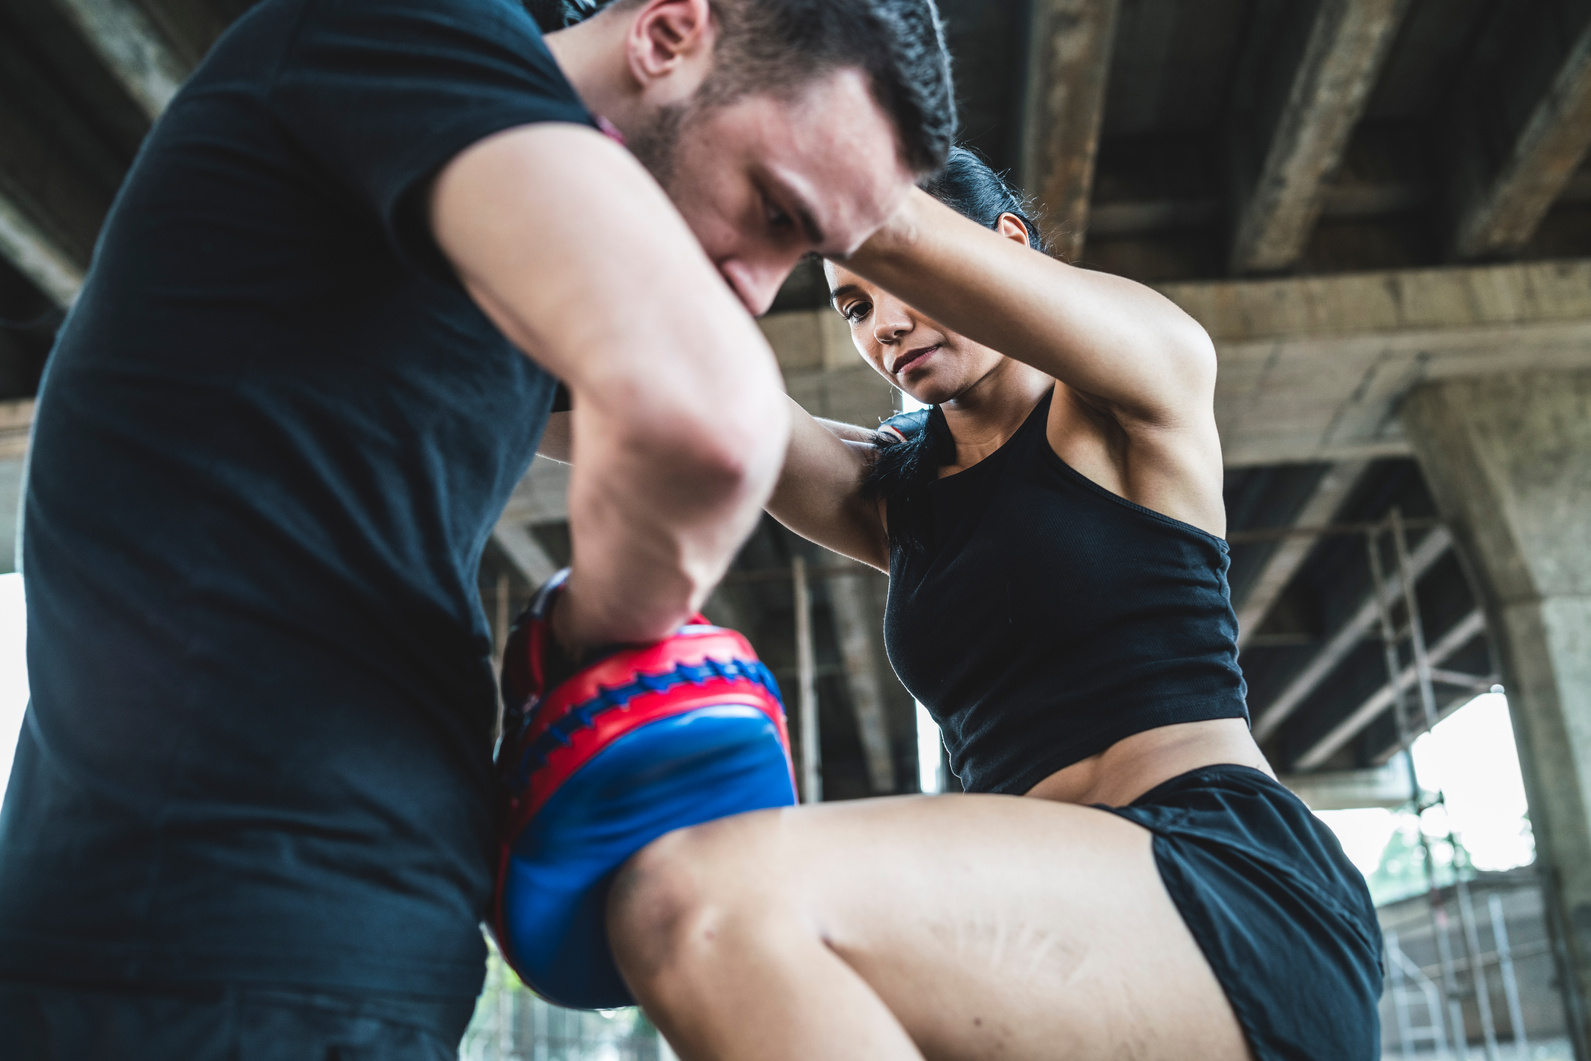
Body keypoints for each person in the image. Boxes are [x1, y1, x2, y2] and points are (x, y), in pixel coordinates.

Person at [0, 0, 953, 1055]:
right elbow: (708, 418)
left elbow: (781, 450)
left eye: (806, 254)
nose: (759, 291)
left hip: (362, 942)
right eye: (773, 210)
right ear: (669, 32)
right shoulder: (414, 24)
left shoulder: (504, 259)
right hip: (195, 930)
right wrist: (605, 635)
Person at [599, 150, 1384, 1061]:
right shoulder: (892, 494)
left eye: (897, 281)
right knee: (687, 916)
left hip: (1219, 892)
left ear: (1005, 244)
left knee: (697, 898)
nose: (884, 325)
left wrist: (771, 143)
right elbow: (642, 400)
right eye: (853, 305)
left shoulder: (1133, 395)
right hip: (1037, 943)